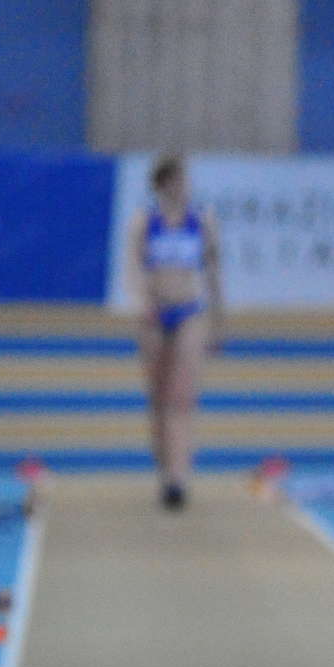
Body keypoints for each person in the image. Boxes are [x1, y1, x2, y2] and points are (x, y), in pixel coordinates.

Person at [124, 154, 222, 510]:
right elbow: (133, 268)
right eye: (178, 180)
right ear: (163, 184)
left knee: (182, 399)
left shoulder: (203, 220)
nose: (184, 187)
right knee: (159, 399)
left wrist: (218, 318)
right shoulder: (144, 221)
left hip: (189, 312)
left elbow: (212, 270)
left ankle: (179, 478)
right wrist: (143, 302)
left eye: (186, 180)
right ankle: (165, 467)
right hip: (154, 313)